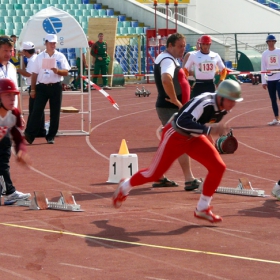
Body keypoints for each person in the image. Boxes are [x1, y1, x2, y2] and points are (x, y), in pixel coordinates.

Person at [113, 80, 243, 223]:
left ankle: (202, 208)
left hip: (193, 139)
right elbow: (182, 121)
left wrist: (208, 136)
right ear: (221, 97)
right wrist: (209, 130)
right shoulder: (204, 102)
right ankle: (124, 186)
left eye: (235, 101)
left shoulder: (223, 108)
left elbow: (202, 123)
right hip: (175, 136)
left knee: (218, 167)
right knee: (154, 174)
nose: (233, 104)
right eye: (231, 100)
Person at [153, 32, 200, 191]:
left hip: (169, 107)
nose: (183, 50)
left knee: (168, 144)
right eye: (180, 46)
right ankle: (189, 179)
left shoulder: (167, 58)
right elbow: (166, 79)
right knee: (180, 141)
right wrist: (175, 100)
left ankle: (158, 177)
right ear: (170, 46)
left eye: (184, 46)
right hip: (170, 107)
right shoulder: (167, 60)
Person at [24, 34, 71, 145]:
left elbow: (66, 71)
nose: (53, 45)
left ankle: (51, 136)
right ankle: (30, 134)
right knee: (37, 111)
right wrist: (33, 89)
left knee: (55, 112)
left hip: (55, 86)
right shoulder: (39, 57)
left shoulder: (60, 56)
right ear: (46, 43)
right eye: (51, 43)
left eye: (54, 43)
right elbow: (34, 74)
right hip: (42, 87)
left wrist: (57, 71)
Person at [0, 78, 31, 205]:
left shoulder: (14, 113)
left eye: (14, 95)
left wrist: (21, 152)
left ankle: (8, 192)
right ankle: (9, 192)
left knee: (4, 149)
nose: (12, 99)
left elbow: (18, 138)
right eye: (8, 95)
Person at [17, 41, 46, 137]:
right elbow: (26, 71)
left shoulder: (33, 60)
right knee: (37, 110)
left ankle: (33, 131)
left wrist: (15, 69)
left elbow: (28, 74)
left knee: (34, 110)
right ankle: (40, 130)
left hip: (35, 86)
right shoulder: (33, 58)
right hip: (37, 86)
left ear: (26, 51)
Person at [0, 35, 23, 115]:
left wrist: (19, 114)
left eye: (10, 51)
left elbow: (16, 91)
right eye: (5, 50)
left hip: (11, 115)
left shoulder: (12, 68)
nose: (8, 54)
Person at [261, 34, 280, 125]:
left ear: (275, 42)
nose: (271, 43)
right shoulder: (264, 54)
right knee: (273, 99)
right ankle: (277, 118)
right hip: (270, 78)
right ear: (267, 43)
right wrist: (264, 81)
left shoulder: (279, 51)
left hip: (279, 76)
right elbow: (263, 67)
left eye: (273, 41)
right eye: (269, 41)